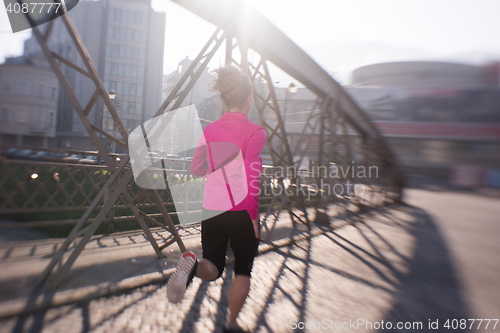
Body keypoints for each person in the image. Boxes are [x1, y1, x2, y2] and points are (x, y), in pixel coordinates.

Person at [166, 66, 266, 333]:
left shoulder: (211, 131)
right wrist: (254, 219)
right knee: (242, 270)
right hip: (240, 211)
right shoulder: (255, 132)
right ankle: (232, 323)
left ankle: (191, 264)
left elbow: (195, 169)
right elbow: (251, 180)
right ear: (248, 99)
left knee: (213, 266)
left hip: (212, 209)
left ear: (223, 99)